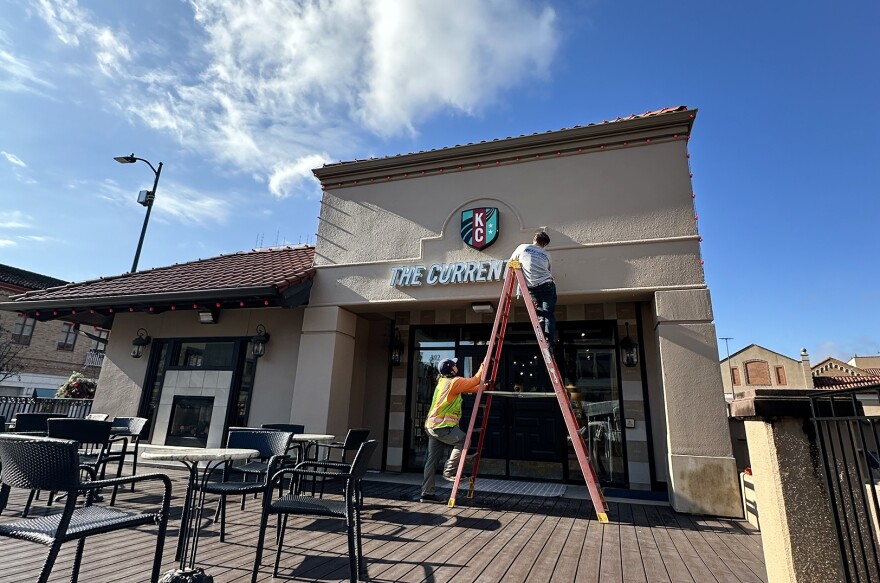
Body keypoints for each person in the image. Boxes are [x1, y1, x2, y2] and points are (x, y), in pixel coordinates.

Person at [420, 356, 484, 503]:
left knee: (432, 461)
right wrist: (484, 363)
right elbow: (475, 380)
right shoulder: (455, 382)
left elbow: (472, 387)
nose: (457, 366)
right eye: (454, 365)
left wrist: (484, 387)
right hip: (442, 426)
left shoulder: (443, 382)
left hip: (432, 426)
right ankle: (449, 471)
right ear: (451, 369)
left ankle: (427, 493)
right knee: (463, 440)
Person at [509, 230, 557, 346]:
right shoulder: (546, 254)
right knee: (548, 314)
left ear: (534, 239)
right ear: (544, 244)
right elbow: (548, 270)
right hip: (547, 284)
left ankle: (540, 320)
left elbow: (511, 263)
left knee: (539, 306)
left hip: (531, 287)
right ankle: (549, 342)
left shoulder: (522, 247)